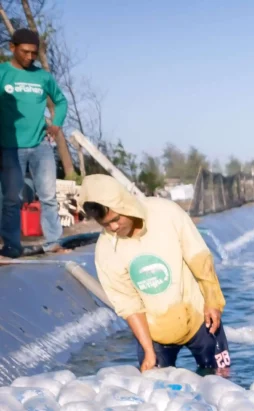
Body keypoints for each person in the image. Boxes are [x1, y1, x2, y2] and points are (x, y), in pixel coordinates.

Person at [80, 174, 231, 375]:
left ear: (125, 205)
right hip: (155, 333)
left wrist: (213, 301)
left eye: (116, 219)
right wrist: (149, 352)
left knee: (222, 381)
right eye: (106, 224)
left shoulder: (165, 213)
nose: (114, 228)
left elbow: (199, 257)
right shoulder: (106, 250)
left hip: (199, 319)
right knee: (157, 390)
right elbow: (129, 305)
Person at [0, 28, 68, 258]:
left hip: (41, 146)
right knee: (12, 198)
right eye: (25, 52)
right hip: (10, 147)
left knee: (48, 195)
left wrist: (56, 124)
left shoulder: (43, 77)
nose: (30, 57)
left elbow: (60, 101)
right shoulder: (2, 73)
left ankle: (53, 242)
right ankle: (11, 246)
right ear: (12, 48)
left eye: (34, 54)